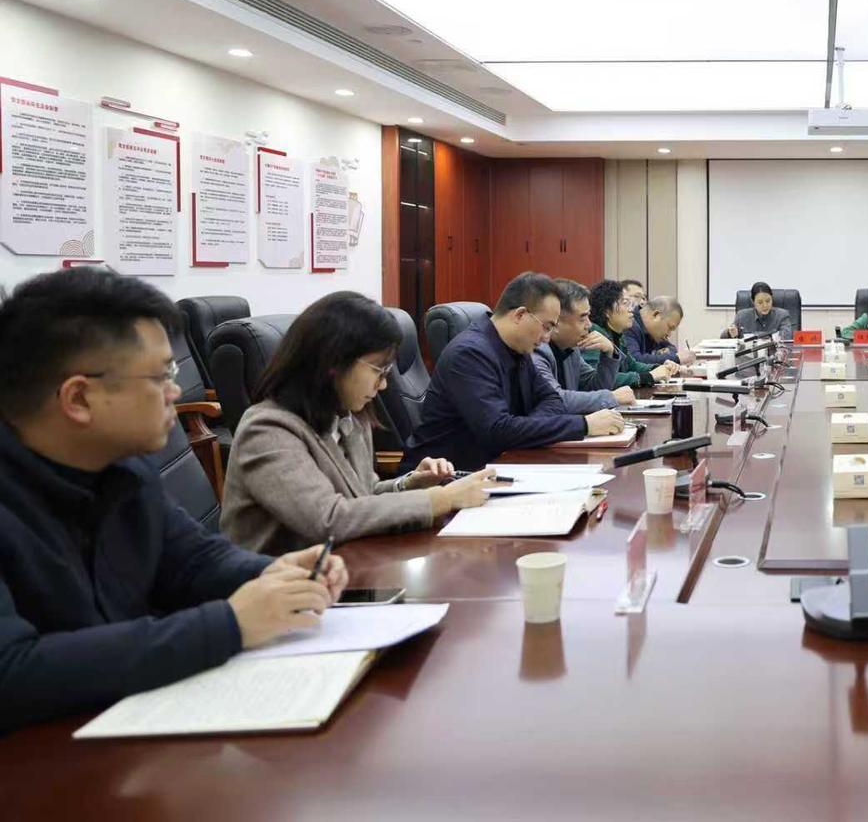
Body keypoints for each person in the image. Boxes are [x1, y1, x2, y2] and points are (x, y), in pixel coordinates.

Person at [0, 268, 349, 733]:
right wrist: (229, 624)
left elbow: (192, 562)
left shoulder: (125, 467)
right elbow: (12, 673)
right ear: (78, 398)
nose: (175, 392)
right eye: (162, 375)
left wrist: (271, 574)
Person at [223, 292, 499, 555]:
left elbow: (362, 495)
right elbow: (328, 519)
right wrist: (442, 499)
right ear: (333, 362)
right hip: (279, 580)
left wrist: (409, 484)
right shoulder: (267, 430)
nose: (384, 385)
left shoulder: (349, 416)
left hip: (346, 564)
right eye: (379, 370)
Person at [404, 273, 624, 473]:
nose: (547, 337)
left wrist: (523, 428)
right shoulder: (470, 354)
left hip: (499, 465)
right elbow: (498, 431)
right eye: (547, 326)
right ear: (520, 315)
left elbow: (552, 399)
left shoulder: (518, 349)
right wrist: (584, 425)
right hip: (447, 477)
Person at [531, 278, 633, 413]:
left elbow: (594, 386)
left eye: (588, 316)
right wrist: (611, 397)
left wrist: (609, 353)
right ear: (556, 321)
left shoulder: (571, 349)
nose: (589, 325)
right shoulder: (536, 350)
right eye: (582, 318)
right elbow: (555, 399)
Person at [587, 279, 678, 391]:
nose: (631, 310)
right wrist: (647, 377)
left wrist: (659, 368)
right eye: (625, 303)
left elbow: (632, 365)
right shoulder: (594, 335)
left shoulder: (618, 334)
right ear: (607, 311)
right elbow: (599, 379)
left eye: (631, 304)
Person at [625, 296, 684, 366]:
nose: (669, 334)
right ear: (656, 315)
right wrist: (676, 358)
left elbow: (670, 347)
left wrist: (668, 353)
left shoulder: (652, 332)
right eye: (670, 328)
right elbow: (634, 361)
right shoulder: (629, 325)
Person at [725, 281, 795, 338]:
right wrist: (729, 333)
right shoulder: (742, 316)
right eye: (760, 302)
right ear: (753, 302)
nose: (765, 305)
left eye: (768, 301)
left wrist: (755, 336)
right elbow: (724, 337)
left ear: (772, 298)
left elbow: (786, 337)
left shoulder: (782, 315)